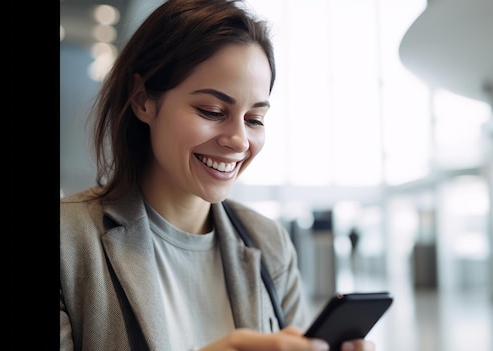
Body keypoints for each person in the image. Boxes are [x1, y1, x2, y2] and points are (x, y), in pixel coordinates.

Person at [59, 1, 377, 350]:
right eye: (212, 111)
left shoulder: (269, 243)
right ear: (142, 99)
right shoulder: (69, 241)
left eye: (255, 119)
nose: (239, 140)